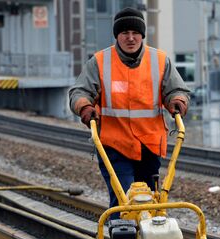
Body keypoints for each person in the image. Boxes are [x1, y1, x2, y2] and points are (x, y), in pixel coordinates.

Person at [68, 7, 190, 218]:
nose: (131, 38)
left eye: (135, 33)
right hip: (114, 145)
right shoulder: (99, 61)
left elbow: (177, 90)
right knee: (124, 200)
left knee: (150, 200)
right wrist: (85, 107)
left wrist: (177, 101)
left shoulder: (160, 61)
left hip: (149, 145)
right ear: (117, 35)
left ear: (142, 35)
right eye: (125, 33)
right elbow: (79, 91)